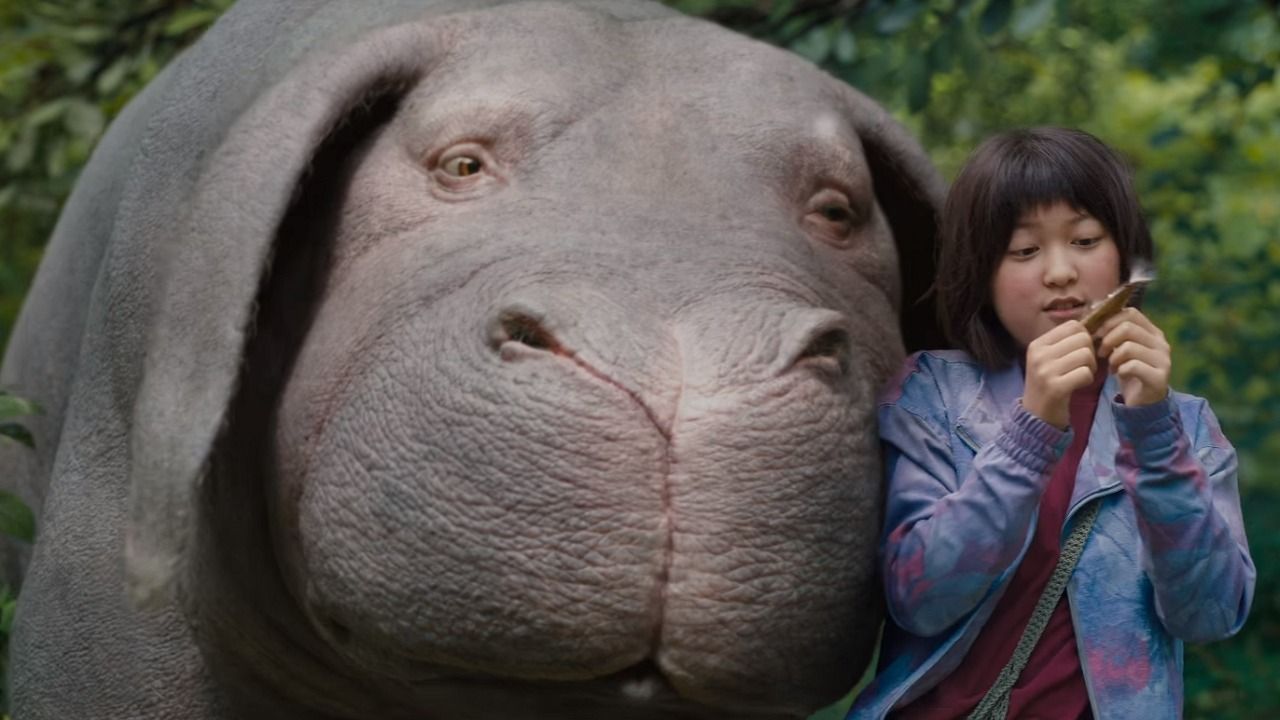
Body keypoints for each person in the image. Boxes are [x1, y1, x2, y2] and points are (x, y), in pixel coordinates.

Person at [848, 127, 1255, 719]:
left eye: (1085, 240)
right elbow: (920, 599)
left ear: (1126, 257)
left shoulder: (1186, 426)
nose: (1060, 272)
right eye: (1024, 250)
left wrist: (1154, 434)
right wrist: (1030, 432)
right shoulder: (930, 394)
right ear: (981, 273)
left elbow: (1211, 615)